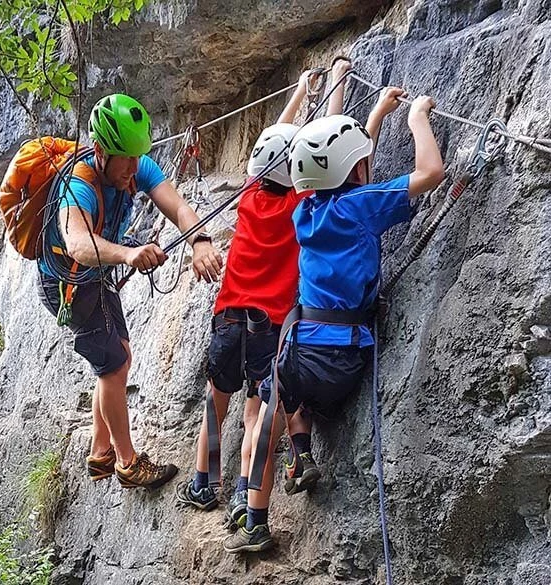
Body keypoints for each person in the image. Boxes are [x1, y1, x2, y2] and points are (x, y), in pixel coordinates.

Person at [223, 88, 445, 553]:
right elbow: (430, 173)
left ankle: (256, 522)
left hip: (299, 349)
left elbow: (343, 166)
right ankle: (301, 458)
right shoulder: (361, 208)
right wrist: (417, 119)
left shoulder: (304, 211)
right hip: (346, 355)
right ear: (357, 169)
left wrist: (377, 114)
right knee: (292, 400)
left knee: (269, 420)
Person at [175, 59, 352, 523]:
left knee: (216, 406)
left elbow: (272, 141)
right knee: (255, 415)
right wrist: (336, 84)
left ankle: (202, 483)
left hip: (228, 316)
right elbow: (323, 151)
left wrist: (298, 91)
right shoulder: (300, 203)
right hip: (269, 324)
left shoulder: (250, 196)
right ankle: (241, 493)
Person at [38, 93, 224, 489]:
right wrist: (128, 253)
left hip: (94, 276)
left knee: (116, 356)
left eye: (139, 158)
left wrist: (201, 241)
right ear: (102, 151)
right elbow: (78, 245)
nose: (135, 169)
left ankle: (101, 451)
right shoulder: (79, 185)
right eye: (127, 159)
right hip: (66, 282)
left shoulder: (136, 165)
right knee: (115, 362)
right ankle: (126, 463)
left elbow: (177, 207)